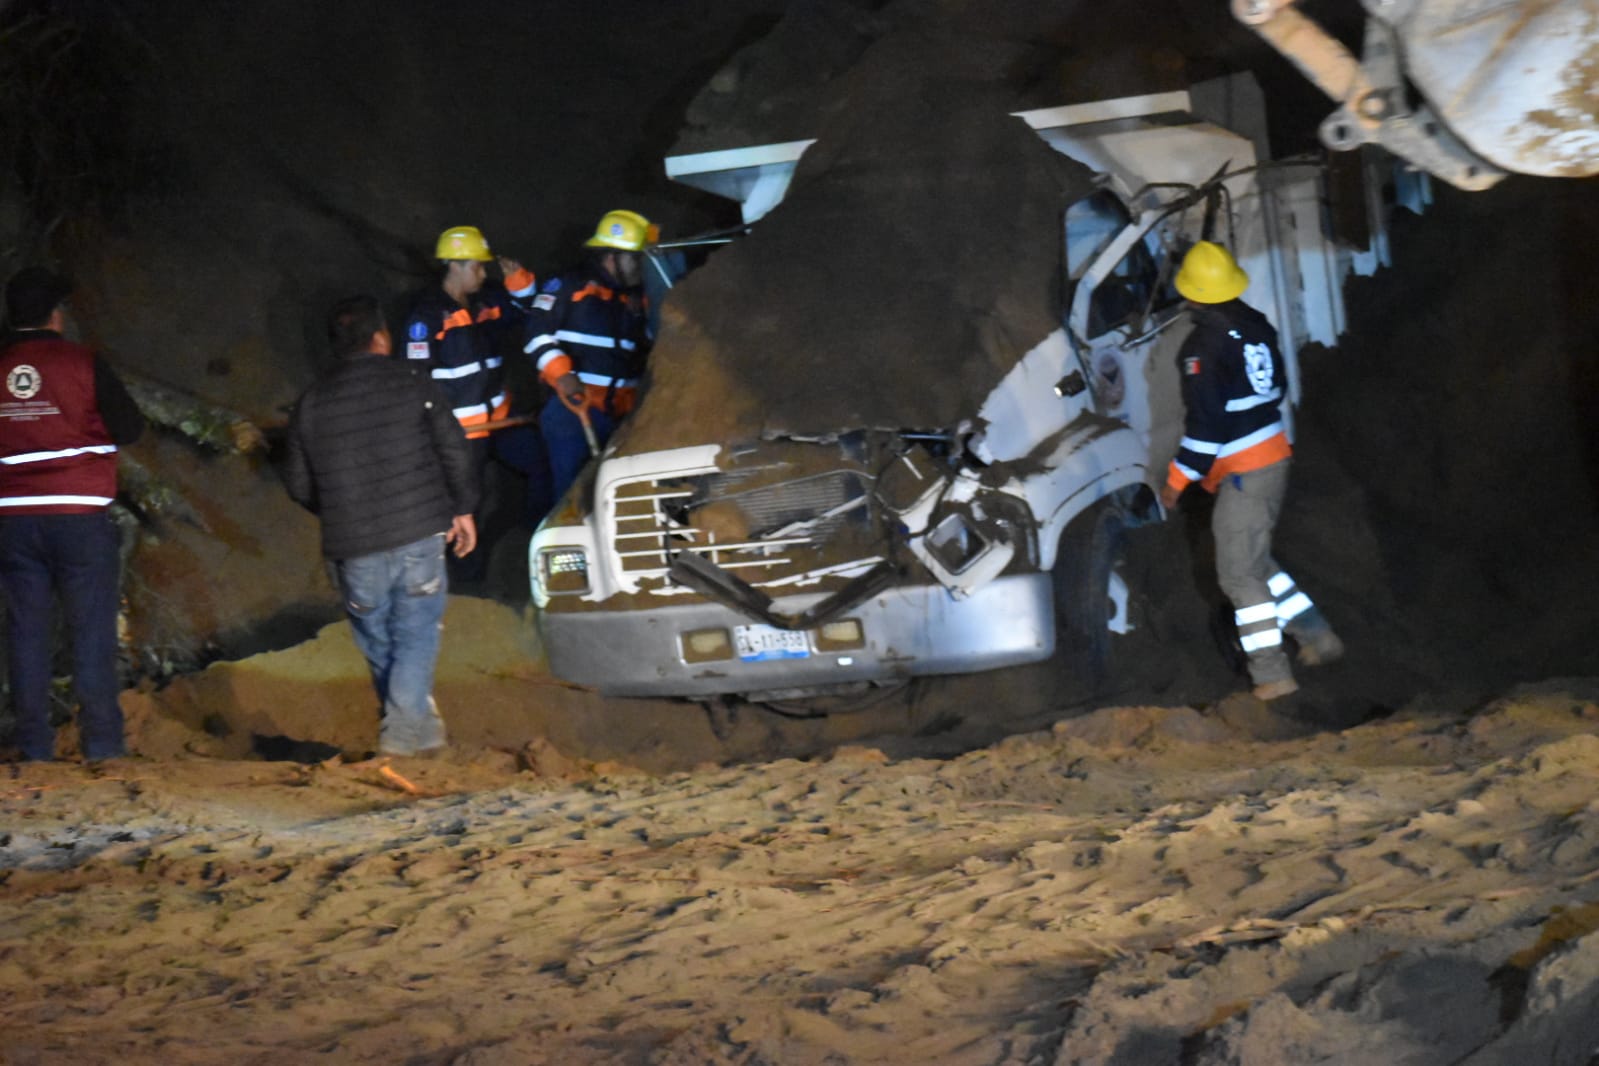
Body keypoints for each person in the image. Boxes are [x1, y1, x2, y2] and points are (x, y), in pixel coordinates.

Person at [284, 295, 479, 757]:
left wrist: (341, 510)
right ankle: (401, 737)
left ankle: (424, 736)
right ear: (380, 338)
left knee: (378, 640)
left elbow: (298, 483)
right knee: (416, 634)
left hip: (354, 546)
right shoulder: (412, 382)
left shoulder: (311, 403)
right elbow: (454, 449)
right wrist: (463, 508)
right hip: (419, 532)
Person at [1158, 241, 1343, 701]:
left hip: (1245, 470)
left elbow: (1206, 428)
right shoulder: (1256, 324)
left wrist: (1177, 480)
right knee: (1254, 561)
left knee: (1239, 577)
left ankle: (1272, 675)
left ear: (1191, 292)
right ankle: (1316, 634)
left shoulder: (1202, 348)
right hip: (1272, 456)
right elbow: (1276, 388)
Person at [0, 267, 143, 762]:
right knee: (90, 629)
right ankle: (101, 745)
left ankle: (34, 746)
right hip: (78, 516)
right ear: (55, 316)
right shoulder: (82, 363)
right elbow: (129, 428)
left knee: (26, 631)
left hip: (12, 521)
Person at [403, 226, 547, 583]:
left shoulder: (487, 301)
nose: (483, 274)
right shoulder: (427, 316)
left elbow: (531, 312)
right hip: (461, 434)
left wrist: (519, 282)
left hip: (500, 421)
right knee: (467, 504)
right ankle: (467, 579)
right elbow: (415, 379)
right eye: (477, 267)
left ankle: (533, 543)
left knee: (542, 465)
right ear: (455, 265)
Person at [524, 209, 654, 504]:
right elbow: (536, 334)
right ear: (611, 256)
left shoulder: (636, 297)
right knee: (573, 495)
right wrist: (562, 375)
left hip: (620, 416)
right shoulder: (569, 285)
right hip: (574, 411)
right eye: (634, 259)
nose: (640, 266)